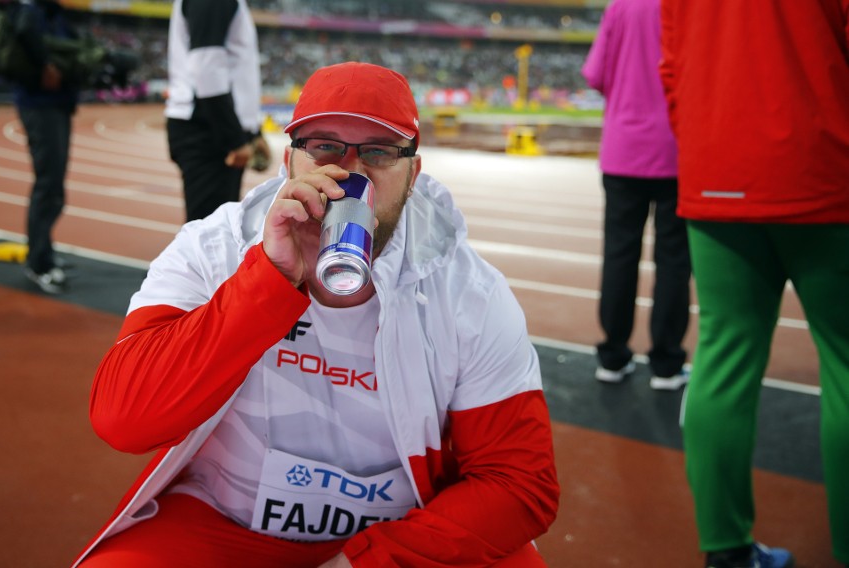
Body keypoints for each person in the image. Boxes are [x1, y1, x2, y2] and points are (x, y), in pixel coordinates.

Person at [73, 62, 560, 567]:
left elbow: (519, 483)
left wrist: (361, 564)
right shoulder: (212, 249)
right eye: (325, 145)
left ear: (412, 174)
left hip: (400, 532)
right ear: (289, 163)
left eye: (378, 151)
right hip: (225, 521)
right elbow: (123, 420)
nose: (351, 171)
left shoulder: (468, 292)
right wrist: (267, 278)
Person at [659, 0, 849, 566]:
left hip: (717, 169)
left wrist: (709, 146)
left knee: (723, 357)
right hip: (826, 165)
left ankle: (726, 550)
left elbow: (672, 66)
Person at [581, 0, 691, 390]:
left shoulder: (621, 7)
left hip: (623, 150)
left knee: (619, 255)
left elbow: (594, 74)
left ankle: (612, 356)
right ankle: (666, 364)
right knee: (674, 260)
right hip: (677, 150)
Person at [165, 0, 272, 222]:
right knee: (209, 237)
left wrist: (253, 131)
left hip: (211, 126)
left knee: (218, 231)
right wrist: (235, 139)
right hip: (209, 130)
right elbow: (207, 68)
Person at [13, 0, 79, 294]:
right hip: (40, 105)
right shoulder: (32, 11)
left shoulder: (53, 13)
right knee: (48, 184)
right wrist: (46, 65)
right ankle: (38, 263)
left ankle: (44, 252)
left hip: (56, 105)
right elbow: (25, 31)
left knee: (53, 184)